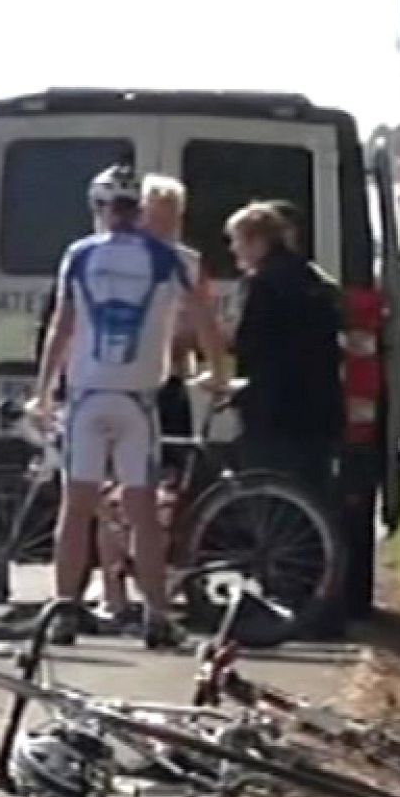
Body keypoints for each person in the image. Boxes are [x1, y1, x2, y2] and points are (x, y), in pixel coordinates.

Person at [28, 164, 229, 649]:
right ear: (139, 209)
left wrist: (43, 389)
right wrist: (218, 371)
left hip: (87, 396)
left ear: (97, 208)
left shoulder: (78, 254)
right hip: (139, 399)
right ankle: (157, 616)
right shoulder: (166, 257)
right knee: (141, 511)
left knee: (77, 509)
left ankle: (65, 609)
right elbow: (203, 317)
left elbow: (63, 325)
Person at [225, 201, 344, 503]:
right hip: (320, 410)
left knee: (267, 500)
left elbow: (250, 343)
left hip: (274, 412)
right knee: (312, 497)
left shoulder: (261, 284)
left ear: (258, 241)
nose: (233, 249)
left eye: (237, 241)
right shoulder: (315, 280)